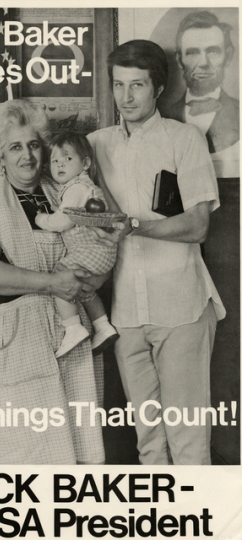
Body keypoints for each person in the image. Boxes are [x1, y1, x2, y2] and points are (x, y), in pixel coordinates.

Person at [87, 39, 226, 465]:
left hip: (181, 307)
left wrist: (134, 226)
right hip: (127, 313)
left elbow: (198, 225)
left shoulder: (184, 139)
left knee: (187, 441)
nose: (126, 97)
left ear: (158, 88)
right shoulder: (94, 144)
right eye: (118, 85)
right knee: (149, 443)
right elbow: (33, 169)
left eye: (138, 86)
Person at [0, 99, 113, 465]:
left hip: (69, 342)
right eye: (15, 147)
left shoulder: (61, 189)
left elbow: (101, 243)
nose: (27, 155)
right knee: (27, 458)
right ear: (0, 155)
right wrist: (51, 284)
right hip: (16, 346)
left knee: (78, 454)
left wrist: (90, 279)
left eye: (33, 144)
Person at [35, 131, 119, 358]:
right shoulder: (83, 186)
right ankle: (103, 327)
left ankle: (72, 328)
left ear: (86, 163)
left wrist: (41, 219)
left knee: (61, 276)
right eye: (54, 160)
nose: (60, 164)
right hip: (102, 254)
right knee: (85, 289)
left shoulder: (77, 189)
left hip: (90, 251)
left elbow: (62, 222)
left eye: (67, 158)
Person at [163, 11, 239, 154]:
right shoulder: (163, 118)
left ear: (227, 57)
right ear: (179, 60)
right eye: (192, 52)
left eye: (213, 51)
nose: (203, 63)